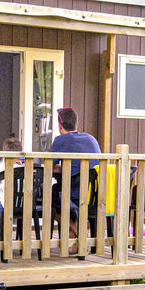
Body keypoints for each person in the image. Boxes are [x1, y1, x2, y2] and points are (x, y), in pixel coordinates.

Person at [48, 107, 100, 249]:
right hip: (95, 194)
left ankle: (78, 233)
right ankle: (74, 245)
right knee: (62, 192)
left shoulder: (60, 140)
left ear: (60, 126)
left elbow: (49, 166)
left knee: (50, 197)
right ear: (77, 125)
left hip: (74, 194)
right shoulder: (91, 139)